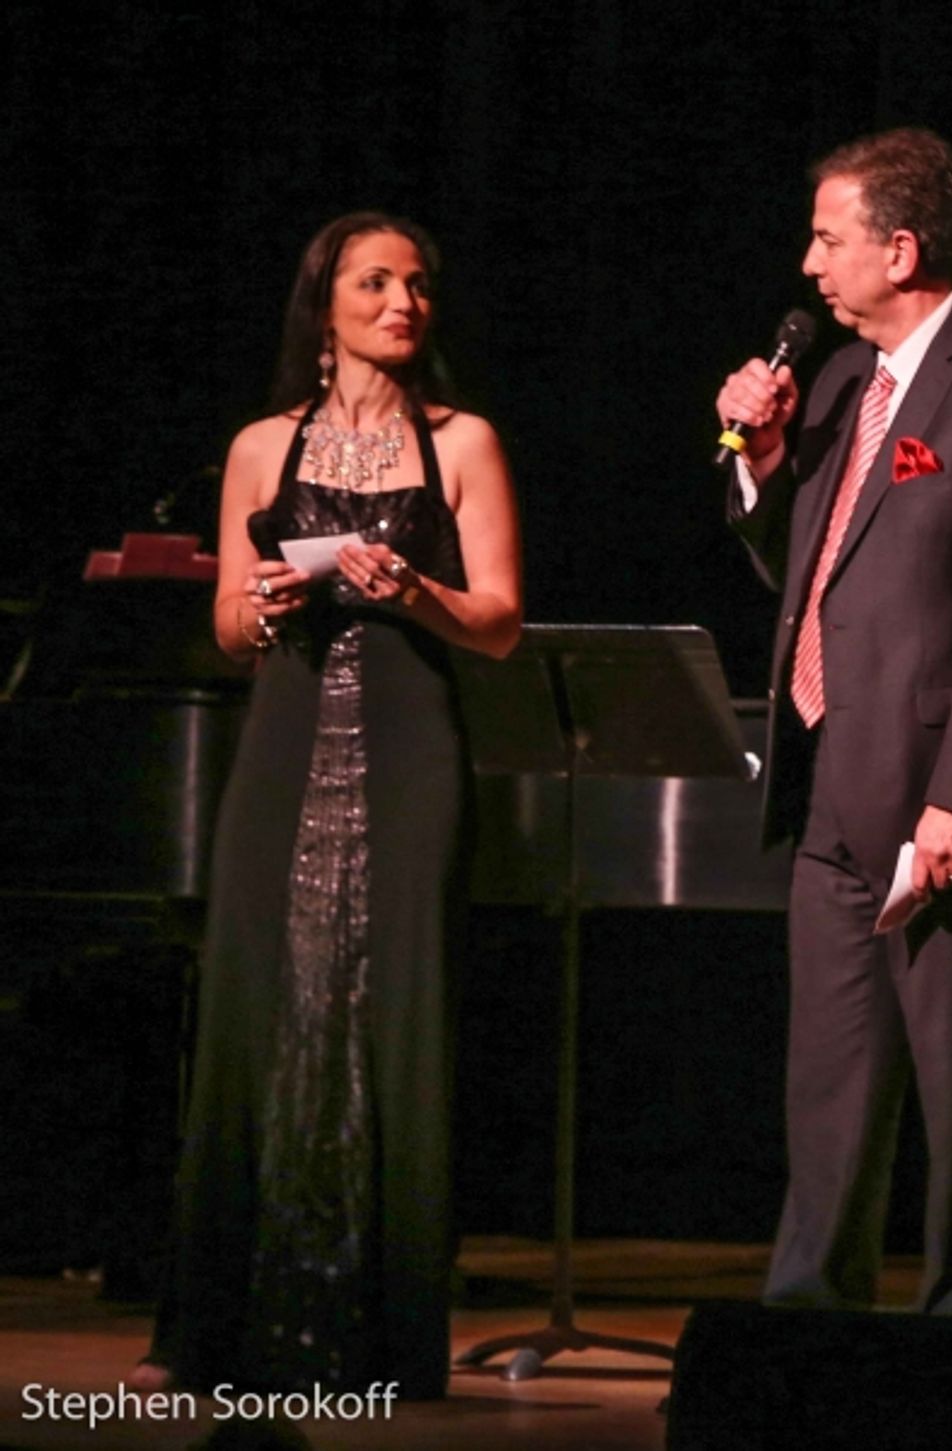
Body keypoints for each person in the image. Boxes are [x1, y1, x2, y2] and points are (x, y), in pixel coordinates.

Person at [134, 212, 522, 1398]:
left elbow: (500, 621)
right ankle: (202, 1334)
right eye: (376, 281)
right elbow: (228, 633)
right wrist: (259, 598)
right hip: (286, 741)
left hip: (410, 747)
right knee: (257, 1001)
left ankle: (388, 1338)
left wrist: (415, 591)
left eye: (417, 283)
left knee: (394, 1013)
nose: (403, 301)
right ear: (327, 303)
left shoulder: (462, 441)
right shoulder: (260, 444)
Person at [715, 128, 952, 1315]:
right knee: (826, 1086)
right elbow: (812, 574)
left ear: (900, 246)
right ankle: (802, 1328)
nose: (810, 264)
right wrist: (764, 462)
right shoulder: (835, 383)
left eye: (830, 238)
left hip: (936, 805)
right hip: (830, 781)